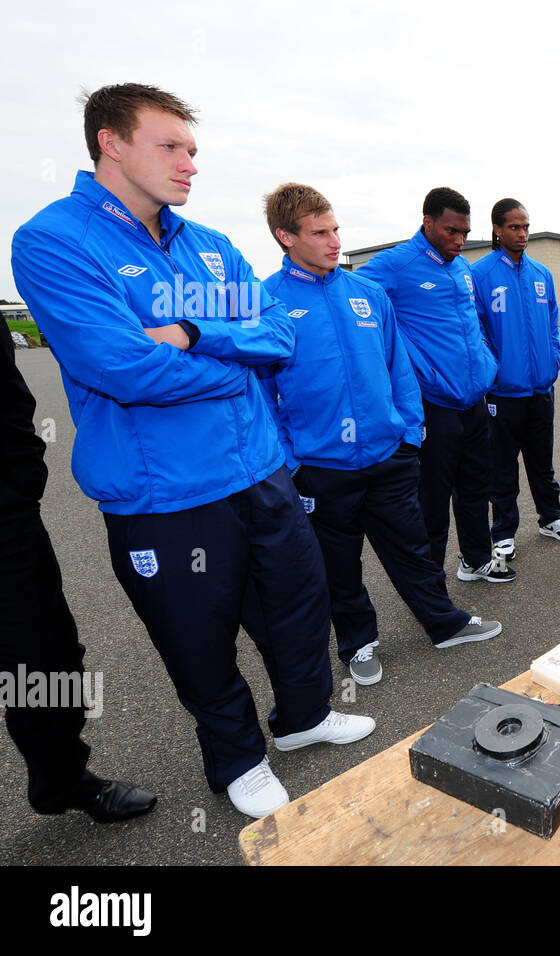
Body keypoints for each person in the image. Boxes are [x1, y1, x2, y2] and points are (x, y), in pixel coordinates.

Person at [11, 84, 374, 819]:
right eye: (170, 147)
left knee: (300, 608)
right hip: (167, 495)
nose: (189, 165)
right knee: (200, 638)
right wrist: (230, 357)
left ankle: (304, 717)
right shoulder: (55, 241)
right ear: (111, 144)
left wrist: (195, 332)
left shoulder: (210, 246)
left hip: (261, 471)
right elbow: (121, 369)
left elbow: (279, 335)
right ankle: (238, 759)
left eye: (193, 151)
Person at [259, 184, 501, 685]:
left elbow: (398, 370)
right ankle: (358, 642)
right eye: (320, 232)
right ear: (286, 237)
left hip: (389, 454)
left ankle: (445, 623)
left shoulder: (365, 294)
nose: (333, 241)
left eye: (335, 229)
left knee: (412, 548)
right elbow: (260, 392)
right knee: (339, 565)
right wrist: (291, 460)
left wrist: (409, 433)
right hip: (321, 466)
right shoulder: (267, 301)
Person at [2, 332, 156, 823]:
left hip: (5, 524)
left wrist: (18, 488)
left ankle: (63, 781)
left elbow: (9, 398)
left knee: (46, 661)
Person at [359, 187, 516, 585]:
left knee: (475, 486)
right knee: (432, 498)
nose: (459, 240)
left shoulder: (462, 267)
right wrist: (406, 365)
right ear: (427, 222)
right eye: (451, 231)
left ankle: (476, 559)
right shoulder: (396, 264)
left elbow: (472, 323)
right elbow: (354, 302)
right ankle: (429, 583)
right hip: (433, 403)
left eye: (464, 232)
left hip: (474, 399)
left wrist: (486, 361)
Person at [471, 199, 560, 562]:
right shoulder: (480, 274)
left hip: (540, 389)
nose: (522, 234)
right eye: (514, 227)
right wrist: (494, 371)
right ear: (497, 230)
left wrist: (553, 358)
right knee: (502, 468)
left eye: (526, 227)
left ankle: (551, 518)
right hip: (502, 392)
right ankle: (502, 532)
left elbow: (551, 325)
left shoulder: (541, 274)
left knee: (541, 462)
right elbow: (477, 331)